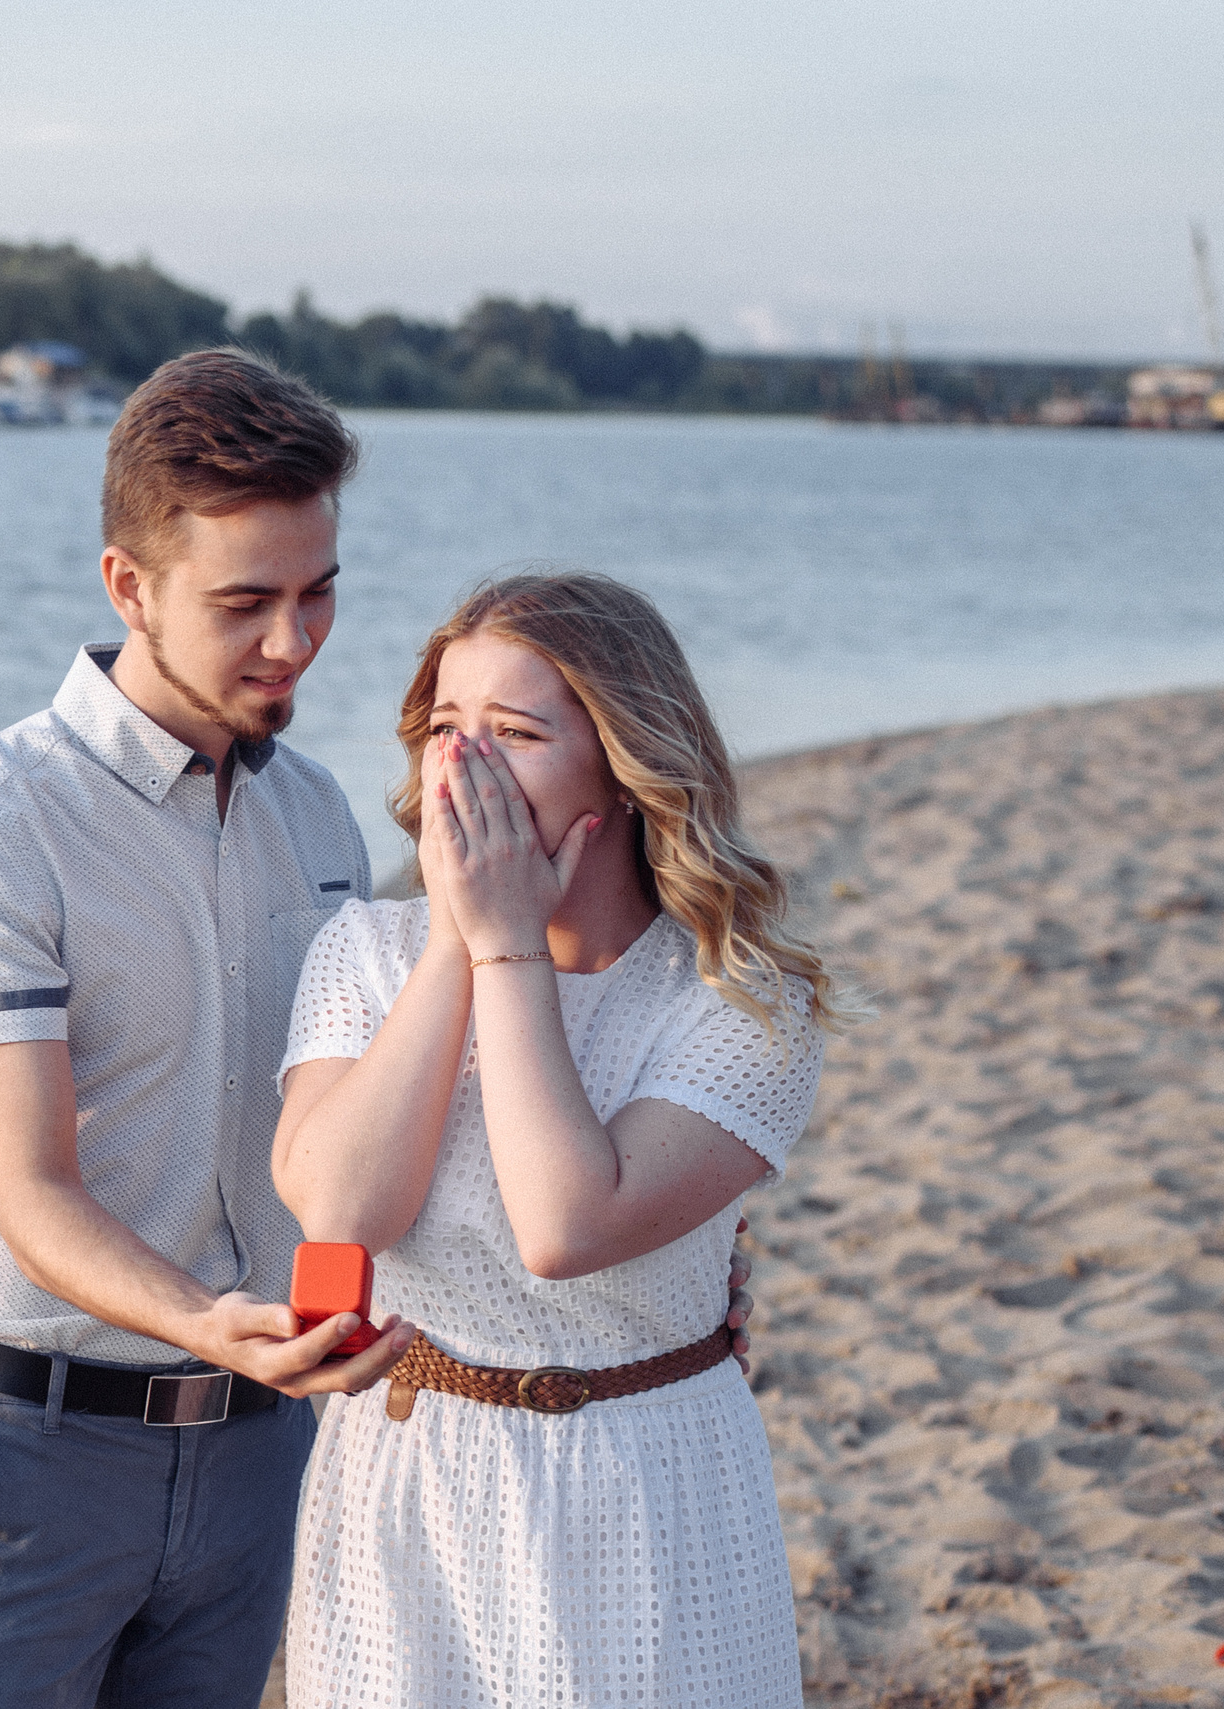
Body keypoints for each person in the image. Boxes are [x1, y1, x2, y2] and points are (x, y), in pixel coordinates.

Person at [0, 362, 759, 1707]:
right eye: (244, 603)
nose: (293, 641)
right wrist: (214, 1324)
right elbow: (32, 1194)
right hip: (28, 1452)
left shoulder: (319, 822)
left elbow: (395, 1118)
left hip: (264, 1454)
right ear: (129, 587)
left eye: (319, 590)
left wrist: (684, 1269)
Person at [272, 571, 856, 1707]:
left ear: (626, 770)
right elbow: (339, 1207)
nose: (464, 766)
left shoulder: (741, 1001)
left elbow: (565, 1222)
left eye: (517, 732)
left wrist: (506, 950)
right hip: (407, 1485)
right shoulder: (365, 955)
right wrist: (454, 942)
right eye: (445, 727)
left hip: (644, 1483)